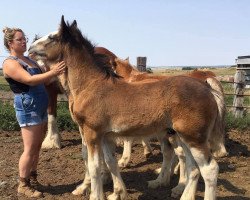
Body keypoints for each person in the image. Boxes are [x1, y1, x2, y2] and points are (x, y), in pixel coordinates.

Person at [2, 27, 66, 198]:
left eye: (24, 38)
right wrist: (53, 72)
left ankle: (33, 177)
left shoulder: (30, 60)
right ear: (10, 43)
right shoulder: (10, 63)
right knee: (29, 148)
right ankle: (23, 184)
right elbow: (29, 80)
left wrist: (58, 72)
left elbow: (45, 82)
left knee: (37, 147)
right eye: (19, 39)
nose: (24, 41)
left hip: (40, 105)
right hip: (28, 107)